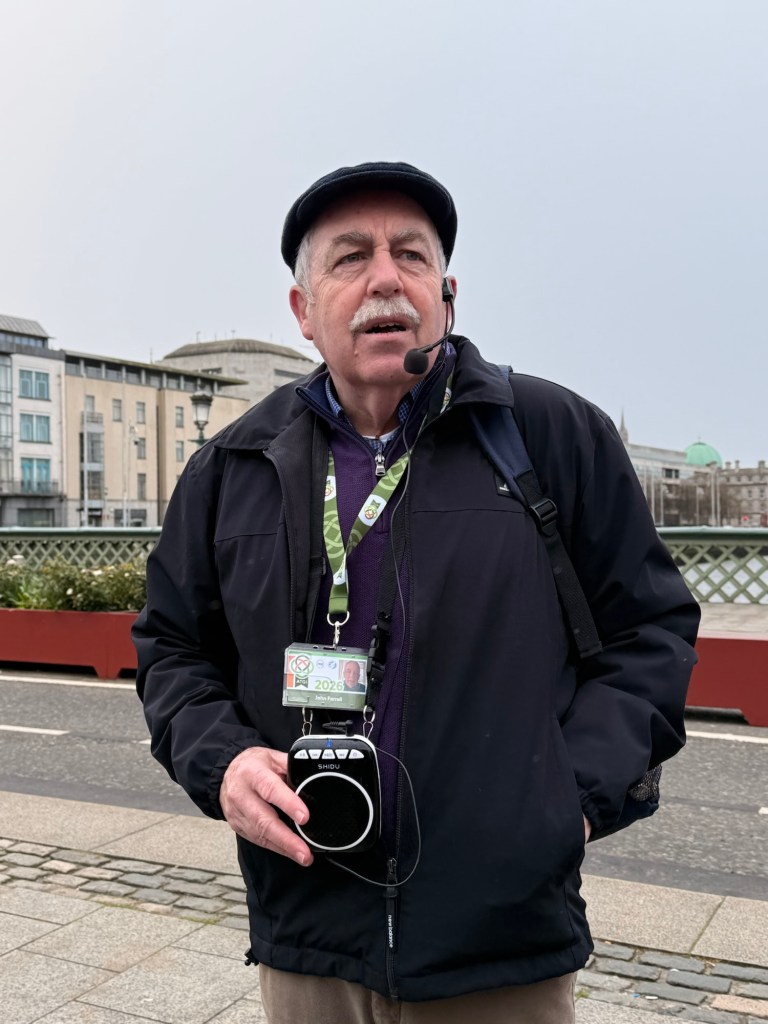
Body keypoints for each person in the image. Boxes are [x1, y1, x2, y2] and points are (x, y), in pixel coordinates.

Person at [134, 161, 699, 1023]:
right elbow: (172, 647)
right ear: (303, 311)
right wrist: (225, 764)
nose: (385, 278)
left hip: (500, 945)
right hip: (308, 931)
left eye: (411, 255)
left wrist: (568, 801)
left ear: (447, 294)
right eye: (350, 257)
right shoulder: (232, 465)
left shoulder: (549, 434)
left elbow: (650, 632)